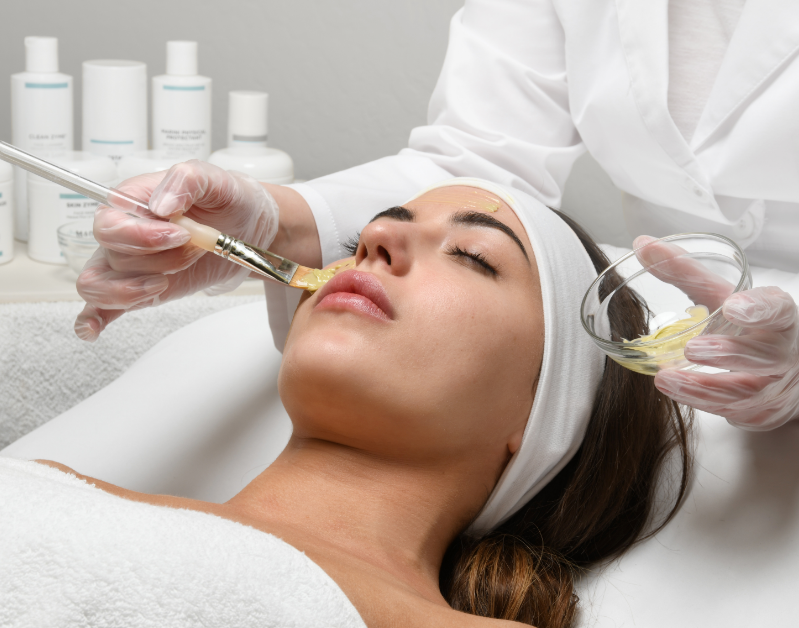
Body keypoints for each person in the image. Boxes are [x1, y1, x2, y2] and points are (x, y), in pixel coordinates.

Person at [73, 0, 799, 432]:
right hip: (665, 345)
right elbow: (480, 170)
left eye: (474, 258)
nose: (376, 236)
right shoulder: (182, 399)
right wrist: (272, 224)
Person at [3, 181, 692, 628]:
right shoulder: (43, 489)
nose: (374, 243)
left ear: (544, 417)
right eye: (363, 236)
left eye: (472, 256)